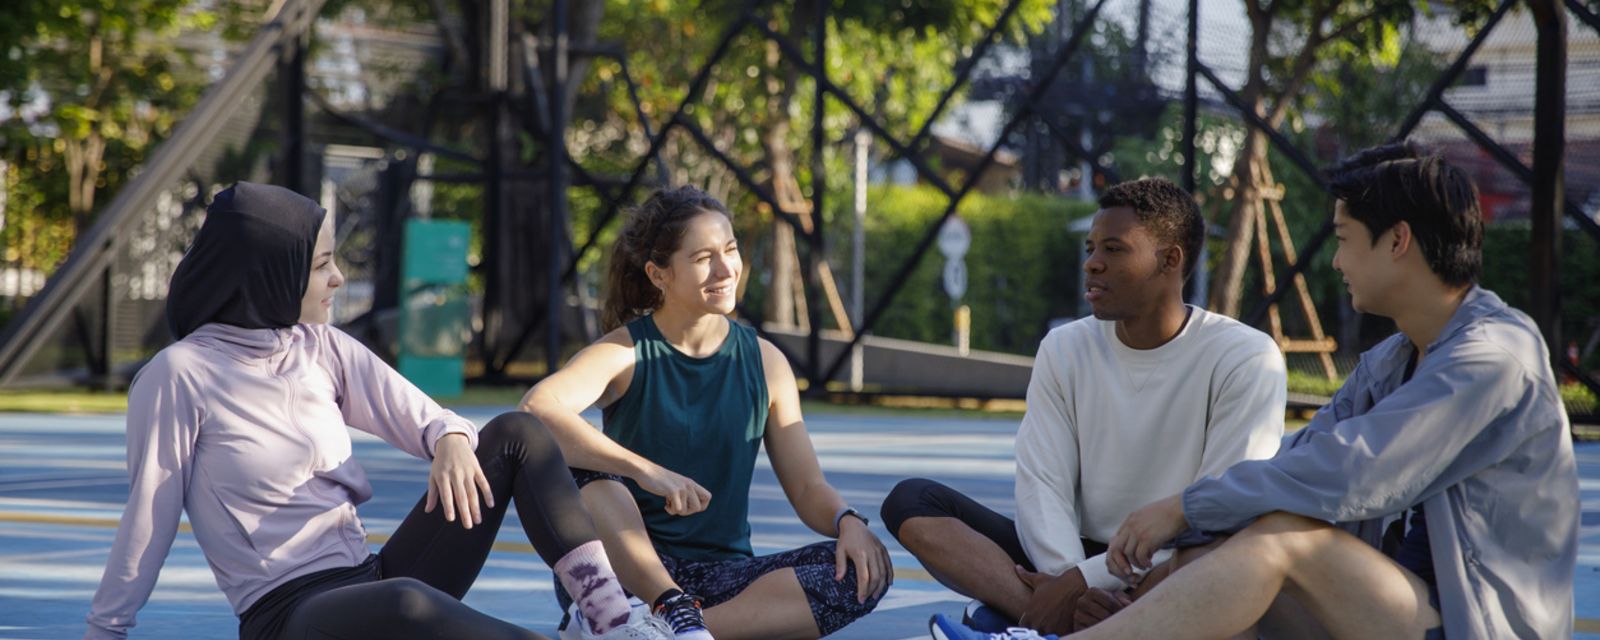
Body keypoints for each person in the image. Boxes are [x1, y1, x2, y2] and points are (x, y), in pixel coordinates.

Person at [933, 142, 1580, 639]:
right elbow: (1299, 458)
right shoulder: (1393, 359)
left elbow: (1352, 470)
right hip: (1387, 600)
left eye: (1346, 240)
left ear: (1399, 242)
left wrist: (1183, 507)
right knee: (1222, 553)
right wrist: (1189, 527)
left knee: (1277, 540)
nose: (1335, 261)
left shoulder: (1493, 357)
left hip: (1473, 623)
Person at [84, 183, 672, 640]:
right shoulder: (178, 375)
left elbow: (433, 417)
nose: (338, 279)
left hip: (372, 575)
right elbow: (147, 519)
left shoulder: (322, 348)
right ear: (269, 270)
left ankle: (612, 621)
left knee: (518, 433)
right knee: (404, 603)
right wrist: (106, 630)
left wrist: (449, 438)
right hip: (291, 616)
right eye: (320, 265)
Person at [884, 177, 1287, 635]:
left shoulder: (1246, 357)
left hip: (1174, 560)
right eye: (1091, 249)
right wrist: (1066, 582)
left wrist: (1085, 582)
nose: (1092, 265)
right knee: (912, 501)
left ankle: (1032, 623)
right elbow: (1042, 484)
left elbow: (1221, 508)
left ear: (1170, 260)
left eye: (1113, 250)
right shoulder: (1064, 347)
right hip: (1069, 556)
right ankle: (1075, 624)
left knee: (1228, 555)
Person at [520, 185, 892, 640]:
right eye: (702, 258)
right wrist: (645, 471)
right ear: (659, 275)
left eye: (729, 250)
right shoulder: (627, 351)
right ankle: (649, 616)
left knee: (859, 571)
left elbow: (807, 486)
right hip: (626, 574)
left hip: (723, 579)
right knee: (592, 481)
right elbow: (536, 409)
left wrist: (848, 521)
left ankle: (646, 633)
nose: (725, 269)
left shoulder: (765, 362)